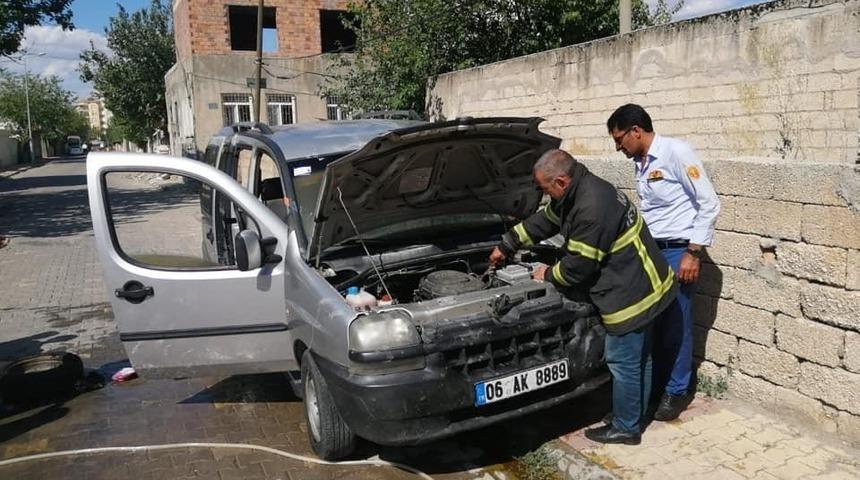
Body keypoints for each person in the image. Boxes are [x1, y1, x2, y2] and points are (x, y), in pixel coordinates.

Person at [489, 149, 677, 445]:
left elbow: (579, 267)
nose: (542, 193)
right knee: (641, 357)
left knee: (623, 360)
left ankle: (626, 427)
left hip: (631, 293)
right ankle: (635, 412)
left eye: (544, 187)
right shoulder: (578, 190)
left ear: (561, 181)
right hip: (645, 283)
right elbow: (546, 221)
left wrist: (547, 275)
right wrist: (508, 243)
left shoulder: (591, 207)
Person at [606, 104, 720, 421]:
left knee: (677, 324)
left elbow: (709, 203)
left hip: (679, 252)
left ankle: (677, 390)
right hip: (652, 252)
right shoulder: (641, 163)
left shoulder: (676, 152)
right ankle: (655, 385)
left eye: (619, 139)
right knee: (653, 322)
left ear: (636, 131)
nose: (618, 147)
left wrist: (693, 253)